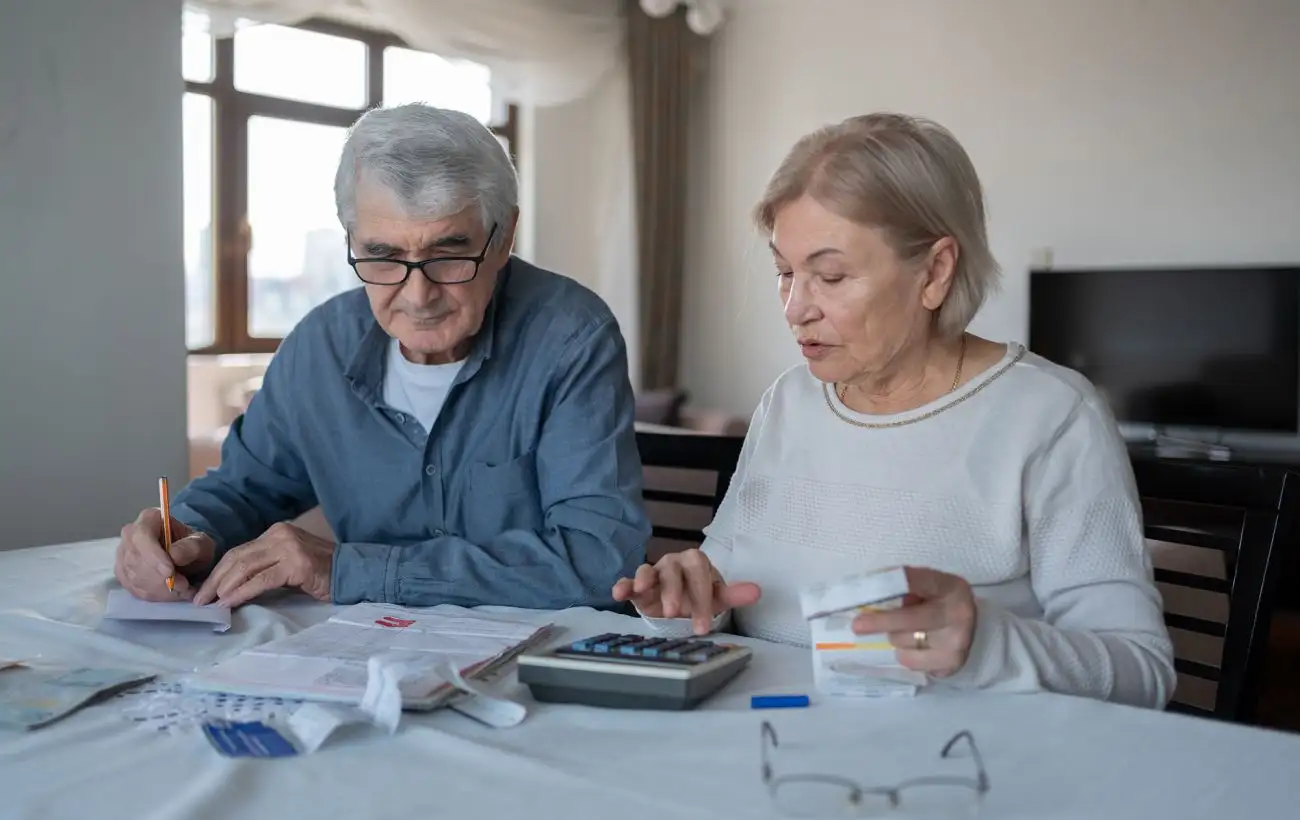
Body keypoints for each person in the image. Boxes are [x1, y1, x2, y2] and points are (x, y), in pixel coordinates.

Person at [612, 113, 1176, 709]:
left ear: (934, 272)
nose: (795, 308)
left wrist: (985, 643)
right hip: (772, 741)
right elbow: (724, 589)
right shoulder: (789, 401)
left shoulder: (1050, 415)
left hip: (952, 773)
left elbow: (1142, 674)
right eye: (785, 272)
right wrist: (684, 600)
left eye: (830, 275)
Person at [115, 104, 650, 610]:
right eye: (383, 255)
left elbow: (597, 560)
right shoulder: (319, 346)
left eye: (448, 253)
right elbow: (241, 489)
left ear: (504, 236)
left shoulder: (571, 336)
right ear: (352, 239)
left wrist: (352, 570)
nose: (418, 296)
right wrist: (180, 535)